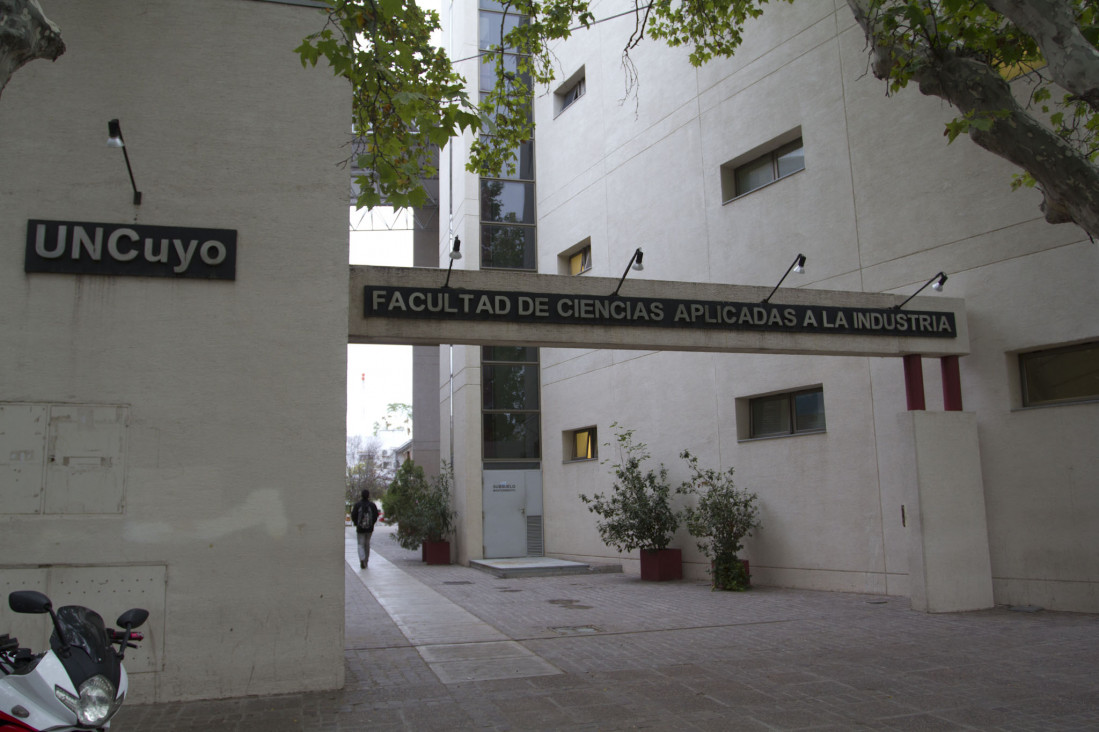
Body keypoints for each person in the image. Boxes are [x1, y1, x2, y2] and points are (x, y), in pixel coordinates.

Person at [351, 489, 379, 569]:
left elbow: (353, 515)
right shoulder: (372, 505)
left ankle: (362, 559)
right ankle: (366, 560)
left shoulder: (357, 505)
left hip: (360, 529)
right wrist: (372, 524)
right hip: (369, 529)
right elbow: (376, 515)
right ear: (368, 495)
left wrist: (357, 524)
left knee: (360, 544)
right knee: (367, 544)